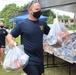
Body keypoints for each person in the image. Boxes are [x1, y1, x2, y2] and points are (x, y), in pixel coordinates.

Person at [6, 1, 50, 75]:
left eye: (40, 9)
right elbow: (9, 35)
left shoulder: (42, 24)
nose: (39, 11)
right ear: (30, 10)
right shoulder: (22, 24)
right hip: (27, 59)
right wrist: (11, 41)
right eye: (36, 9)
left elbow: (52, 34)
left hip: (40, 59)